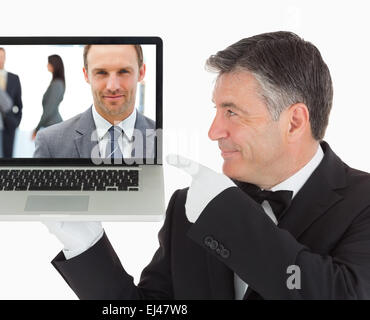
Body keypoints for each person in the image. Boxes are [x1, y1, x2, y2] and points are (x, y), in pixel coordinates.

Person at [44, 32, 370, 299]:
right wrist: (86, 245)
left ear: (294, 122)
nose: (214, 132)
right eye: (216, 110)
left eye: (232, 112)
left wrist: (229, 217)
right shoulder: (188, 208)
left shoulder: (363, 203)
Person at [33, 45, 156, 160]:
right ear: (86, 75)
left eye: (123, 71)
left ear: (141, 72)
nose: (112, 87)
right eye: (101, 73)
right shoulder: (50, 142)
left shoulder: (163, 140)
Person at [0, 47, 23, 158]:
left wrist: (16, 122)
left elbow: (19, 104)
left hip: (9, 125)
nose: (0, 59)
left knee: (7, 159)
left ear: (5, 58)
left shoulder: (14, 78)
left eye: (2, 56)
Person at [32, 54, 66, 139]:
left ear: (54, 65)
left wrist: (37, 128)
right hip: (51, 126)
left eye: (49, 63)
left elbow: (49, 110)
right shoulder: (55, 83)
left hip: (53, 126)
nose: (47, 65)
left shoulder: (57, 84)